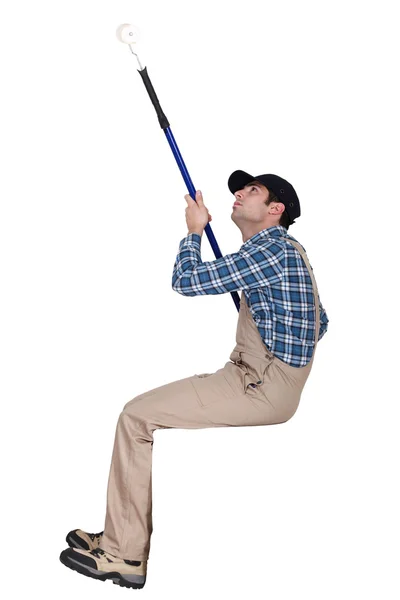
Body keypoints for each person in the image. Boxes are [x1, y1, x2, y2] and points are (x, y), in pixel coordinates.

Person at [59, 170, 329, 589]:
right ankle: (119, 534)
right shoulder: (285, 251)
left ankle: (124, 553)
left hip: (259, 385)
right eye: (240, 188)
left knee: (136, 418)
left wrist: (194, 232)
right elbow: (321, 322)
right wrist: (265, 317)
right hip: (256, 377)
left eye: (251, 190)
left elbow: (184, 281)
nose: (239, 193)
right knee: (137, 414)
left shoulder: (270, 251)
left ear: (275, 210)